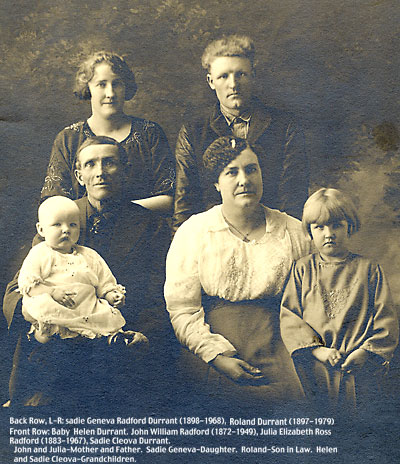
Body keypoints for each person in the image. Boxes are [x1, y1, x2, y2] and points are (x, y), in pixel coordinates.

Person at [3, 137, 173, 410]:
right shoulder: (59, 218)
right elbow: (17, 288)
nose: (100, 172)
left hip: (117, 351)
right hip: (55, 351)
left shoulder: (150, 225)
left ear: (125, 170)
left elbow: (161, 293)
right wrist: (38, 310)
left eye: (110, 163)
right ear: (79, 175)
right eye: (91, 164)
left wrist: (144, 334)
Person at [165, 136, 310, 413]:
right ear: (216, 183)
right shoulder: (194, 232)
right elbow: (182, 309)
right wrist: (217, 357)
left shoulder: (293, 232)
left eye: (251, 169)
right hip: (213, 347)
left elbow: (313, 299)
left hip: (280, 346)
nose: (244, 180)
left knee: (288, 408)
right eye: (232, 172)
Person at [280, 188, 399, 414]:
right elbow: (290, 316)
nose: (328, 234)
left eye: (336, 225)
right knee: (320, 417)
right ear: (309, 231)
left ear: (349, 227)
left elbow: (386, 319)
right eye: (319, 227)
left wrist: (365, 353)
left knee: (359, 421)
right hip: (315, 367)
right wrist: (318, 351)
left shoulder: (369, 269)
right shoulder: (303, 269)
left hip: (359, 366)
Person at [173, 34, 308, 231]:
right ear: (211, 81)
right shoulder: (193, 132)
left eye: (241, 74)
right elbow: (185, 204)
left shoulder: (284, 126)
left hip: (273, 232)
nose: (233, 84)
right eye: (223, 76)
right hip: (214, 236)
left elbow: (293, 197)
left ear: (253, 75)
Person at [41, 51, 174, 213]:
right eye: (101, 84)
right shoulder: (69, 138)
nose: (110, 93)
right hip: (82, 227)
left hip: (142, 225)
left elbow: (168, 197)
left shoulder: (149, 133)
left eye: (117, 84)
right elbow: (54, 202)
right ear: (88, 88)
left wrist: (120, 212)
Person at [19, 196, 147, 347]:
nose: (66, 230)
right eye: (57, 224)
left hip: (87, 306)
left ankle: (111, 339)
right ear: (41, 229)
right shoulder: (40, 253)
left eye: (72, 225)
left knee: (104, 314)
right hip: (55, 302)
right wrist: (52, 292)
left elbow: (104, 279)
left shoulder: (89, 255)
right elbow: (29, 285)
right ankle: (49, 335)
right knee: (44, 311)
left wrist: (111, 295)